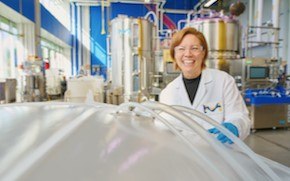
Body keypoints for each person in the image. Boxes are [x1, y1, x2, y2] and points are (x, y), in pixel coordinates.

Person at [159, 27, 251, 144]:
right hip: (184, 157)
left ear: (203, 53)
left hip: (220, 155)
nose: (188, 54)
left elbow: (240, 116)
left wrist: (235, 126)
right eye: (181, 49)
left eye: (195, 48)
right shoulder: (168, 92)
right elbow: (164, 130)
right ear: (174, 55)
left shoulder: (223, 81)